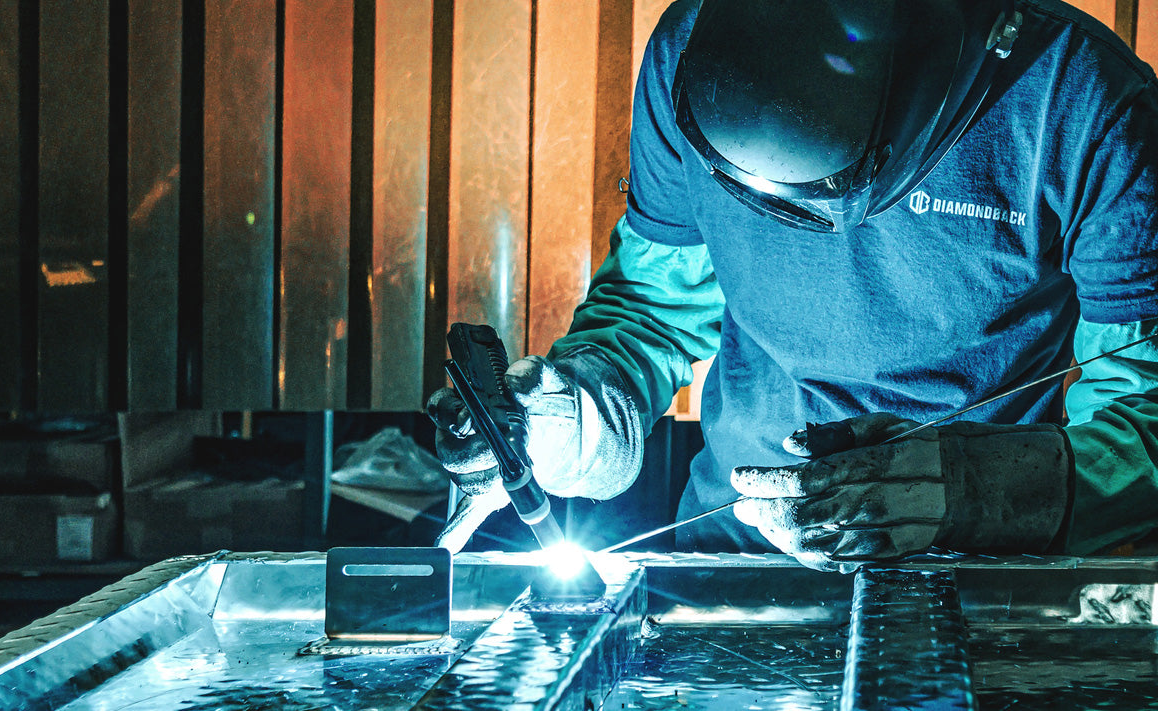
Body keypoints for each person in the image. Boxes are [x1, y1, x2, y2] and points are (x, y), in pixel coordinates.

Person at [427, 0, 1158, 573]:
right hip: (725, 563)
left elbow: (1140, 417)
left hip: (972, 582)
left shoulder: (1081, 99)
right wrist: (578, 412)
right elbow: (652, 306)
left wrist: (975, 490)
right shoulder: (688, 54)